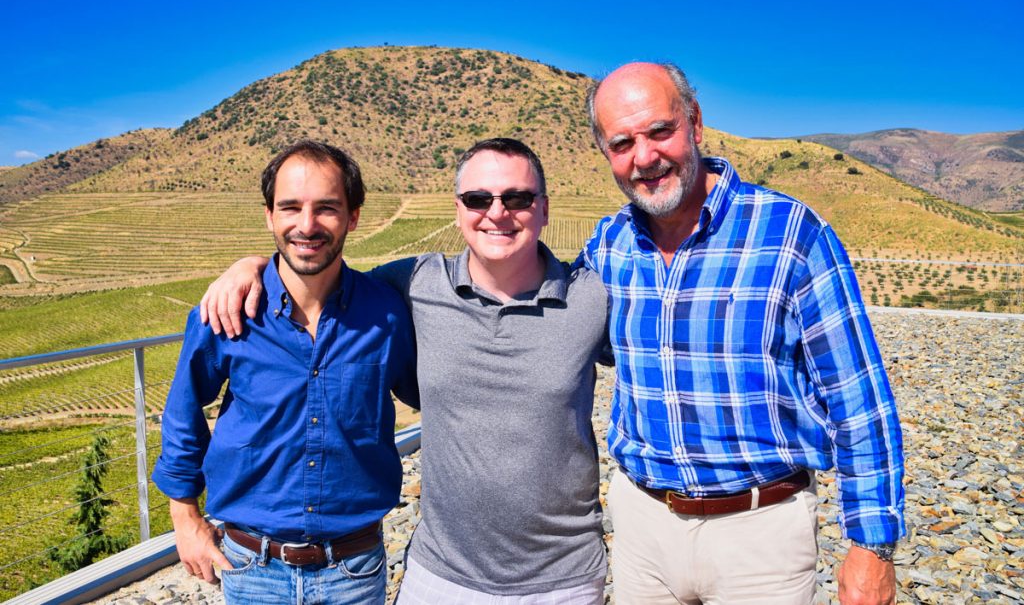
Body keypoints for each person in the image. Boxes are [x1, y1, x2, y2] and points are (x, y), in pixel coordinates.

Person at [201, 139, 612, 603]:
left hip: (564, 580)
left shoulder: (592, 299)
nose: (497, 212)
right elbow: (318, 273)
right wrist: (253, 266)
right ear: (459, 210)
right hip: (440, 576)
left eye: (517, 198)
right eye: (479, 199)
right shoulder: (415, 282)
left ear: (543, 210)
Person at [579, 62, 904, 605]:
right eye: (622, 142)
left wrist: (872, 546)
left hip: (761, 535)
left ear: (695, 122)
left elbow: (858, 396)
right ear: (606, 153)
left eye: (661, 131)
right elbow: (555, 331)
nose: (645, 157)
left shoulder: (791, 233)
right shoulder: (608, 246)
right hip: (641, 529)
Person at [152, 140, 417, 604]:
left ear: (353, 217)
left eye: (327, 208)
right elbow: (183, 410)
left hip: (354, 570)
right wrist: (185, 519)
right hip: (251, 569)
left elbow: (438, 396)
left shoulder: (388, 315)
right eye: (290, 207)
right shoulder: (228, 311)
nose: (307, 225)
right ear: (269, 216)